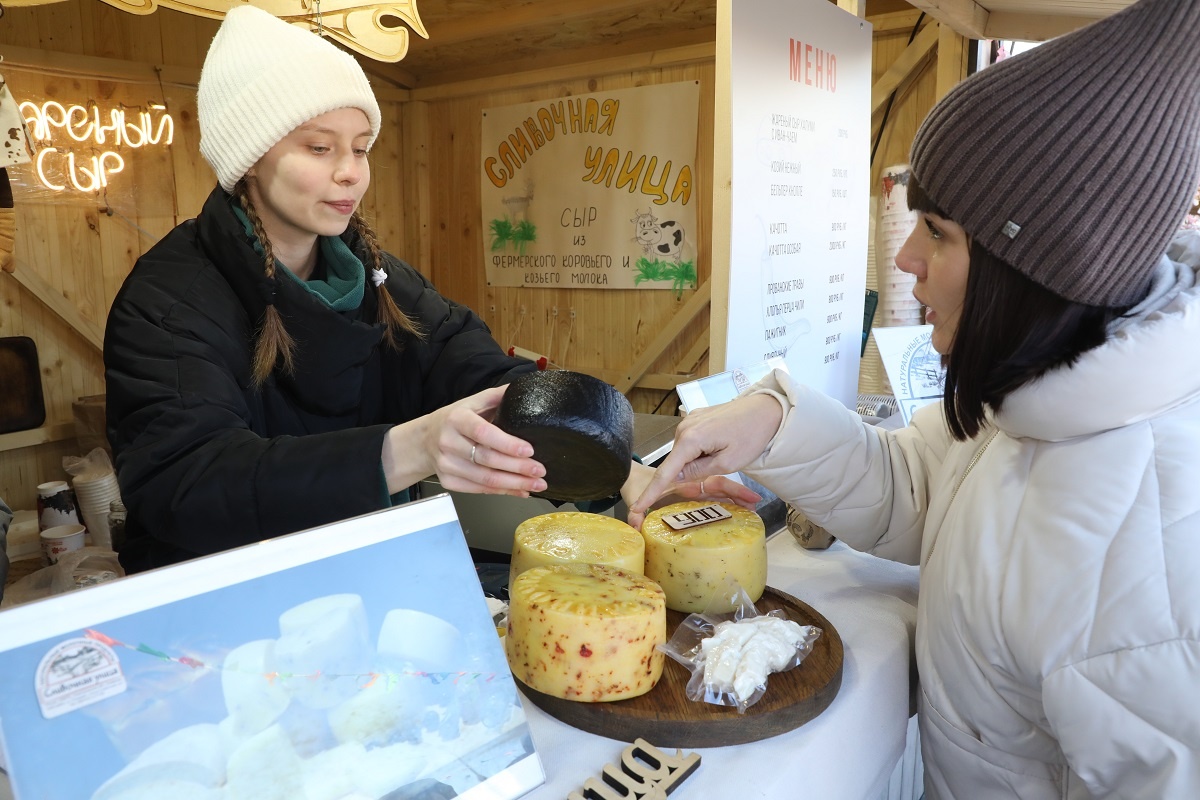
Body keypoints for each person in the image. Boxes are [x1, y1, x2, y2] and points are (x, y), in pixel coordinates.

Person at [630, 0, 1200, 797]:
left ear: (1032, 266)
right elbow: (923, 489)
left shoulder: (1163, 560)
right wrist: (776, 421)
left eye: (936, 230)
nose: (903, 258)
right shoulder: (1036, 393)